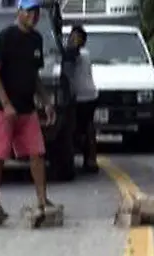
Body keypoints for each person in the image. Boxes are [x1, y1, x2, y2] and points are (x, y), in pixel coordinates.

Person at [0, 0, 57, 222]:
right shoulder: (5, 37)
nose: (34, 16)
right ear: (20, 12)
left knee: (37, 153)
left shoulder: (36, 39)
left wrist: (46, 102)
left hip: (27, 107)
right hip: (2, 107)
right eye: (29, 11)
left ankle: (42, 198)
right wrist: (6, 104)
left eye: (36, 12)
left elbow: (34, 77)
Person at [67, 24, 98, 173]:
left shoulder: (80, 54)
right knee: (86, 128)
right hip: (87, 95)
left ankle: (90, 159)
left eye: (76, 38)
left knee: (82, 129)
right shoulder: (82, 53)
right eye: (71, 37)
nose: (73, 40)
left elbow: (71, 54)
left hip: (83, 97)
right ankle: (89, 159)